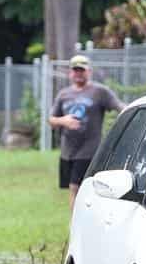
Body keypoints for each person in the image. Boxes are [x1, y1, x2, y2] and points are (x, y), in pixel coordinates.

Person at [49, 54, 124, 209]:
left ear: (88, 72)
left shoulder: (99, 92)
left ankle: (75, 226)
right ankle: (77, 224)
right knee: (73, 188)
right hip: (68, 151)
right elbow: (51, 120)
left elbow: (119, 107)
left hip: (89, 150)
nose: (78, 74)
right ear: (70, 73)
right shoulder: (64, 94)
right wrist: (64, 121)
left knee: (76, 188)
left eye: (81, 70)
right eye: (75, 70)